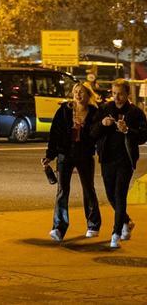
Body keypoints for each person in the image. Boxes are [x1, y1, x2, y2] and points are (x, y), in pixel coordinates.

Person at [43, 83, 103, 242]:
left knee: (88, 188)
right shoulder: (64, 110)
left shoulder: (94, 113)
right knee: (62, 191)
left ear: (88, 95)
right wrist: (50, 155)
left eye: (82, 92)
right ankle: (59, 228)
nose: (78, 95)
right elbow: (54, 133)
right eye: (76, 92)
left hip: (84, 154)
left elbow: (98, 135)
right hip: (65, 153)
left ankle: (93, 224)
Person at [96, 79, 147, 249]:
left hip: (125, 160)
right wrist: (102, 124)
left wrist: (128, 131)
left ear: (127, 95)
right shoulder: (105, 109)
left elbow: (143, 136)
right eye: (114, 93)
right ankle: (126, 221)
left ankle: (116, 233)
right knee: (110, 196)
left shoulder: (136, 113)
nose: (117, 97)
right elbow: (92, 131)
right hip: (107, 159)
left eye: (121, 94)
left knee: (120, 195)